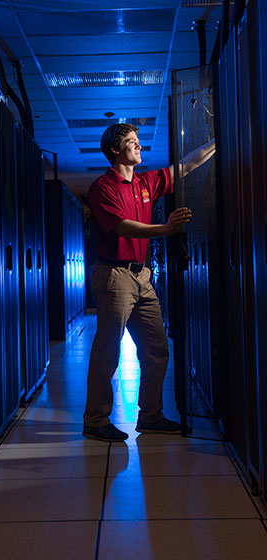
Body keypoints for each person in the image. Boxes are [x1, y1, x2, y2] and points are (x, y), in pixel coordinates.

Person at [83, 123, 215, 442]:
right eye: (132, 142)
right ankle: (95, 420)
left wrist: (217, 139)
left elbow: (187, 165)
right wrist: (165, 229)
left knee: (156, 348)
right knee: (108, 349)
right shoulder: (103, 187)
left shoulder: (146, 182)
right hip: (114, 275)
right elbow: (122, 227)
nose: (139, 147)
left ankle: (151, 415)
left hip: (142, 275)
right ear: (116, 150)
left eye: (138, 142)